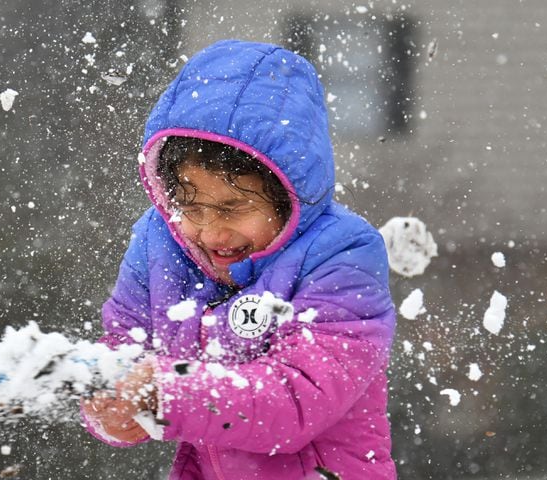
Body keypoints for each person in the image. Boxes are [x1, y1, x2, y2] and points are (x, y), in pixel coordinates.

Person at [81, 39, 397, 480]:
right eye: (191, 208)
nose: (212, 232)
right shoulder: (159, 244)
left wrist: (164, 393)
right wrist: (111, 403)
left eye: (232, 208)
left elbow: (294, 401)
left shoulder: (342, 256)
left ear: (290, 195)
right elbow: (124, 350)